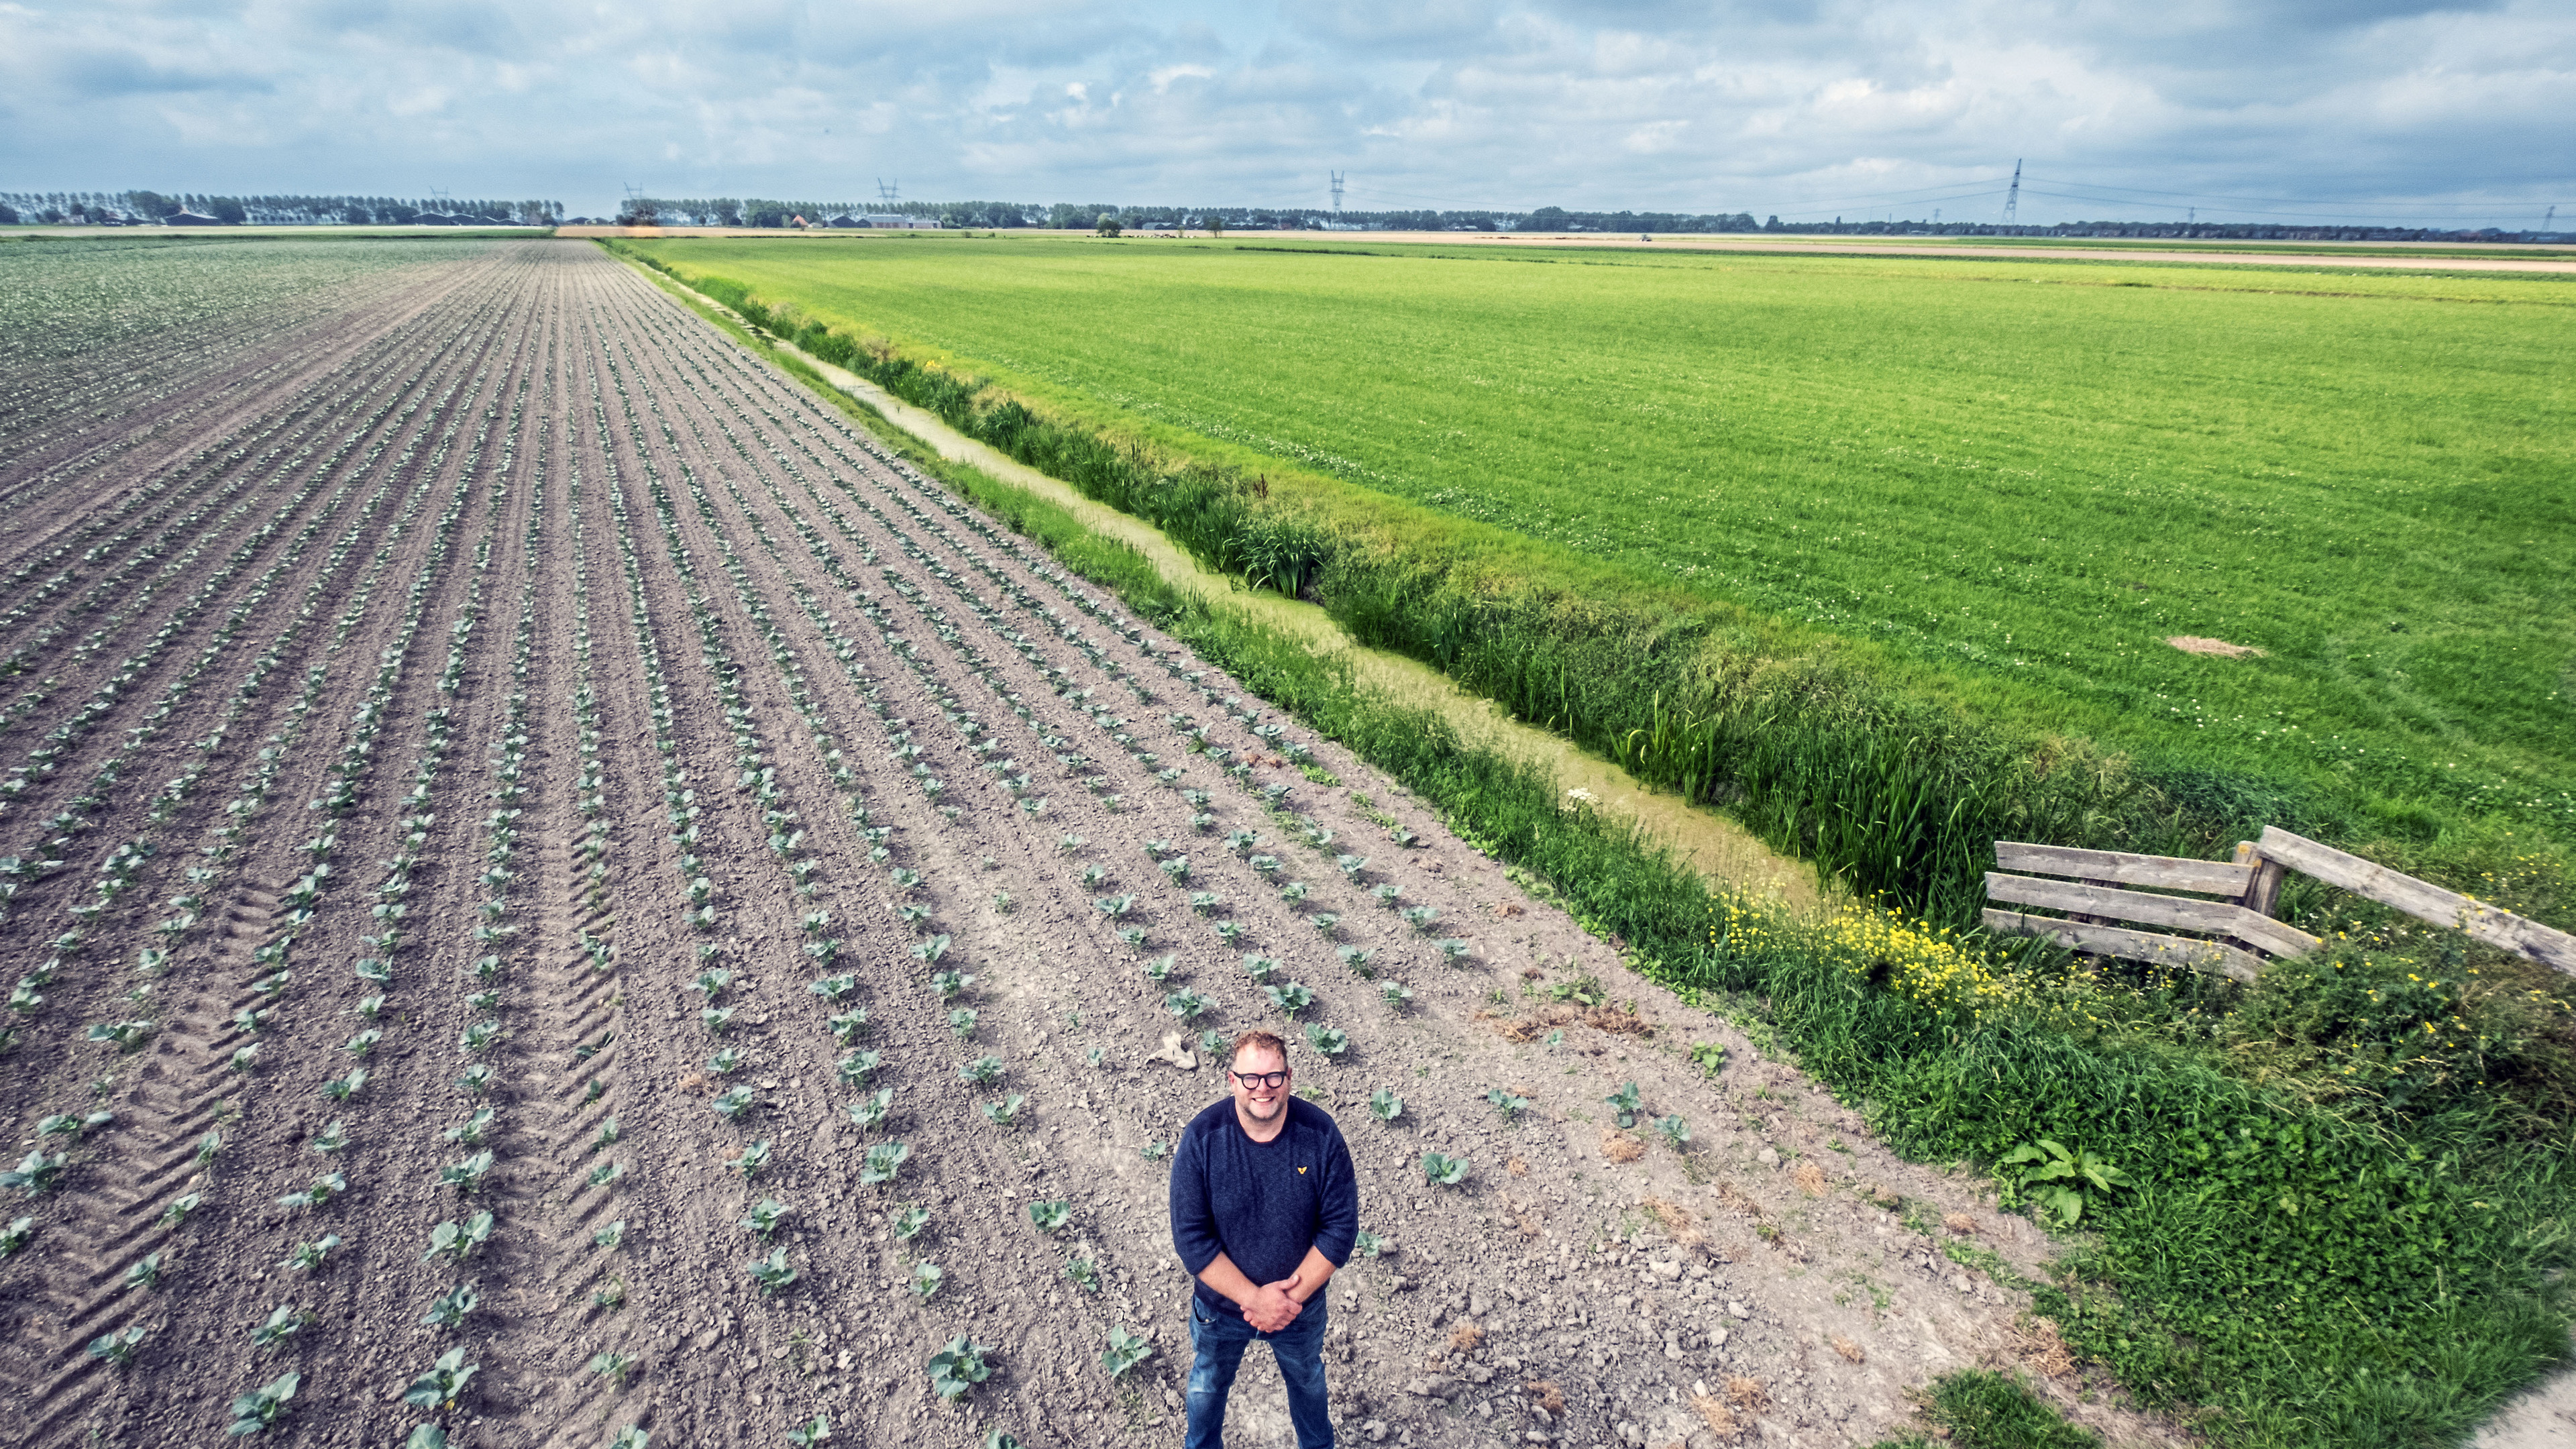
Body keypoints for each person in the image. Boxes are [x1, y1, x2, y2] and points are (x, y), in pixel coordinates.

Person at [1169, 1028, 1359, 1449]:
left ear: (1289, 1077)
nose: (1263, 1089)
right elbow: (1192, 1238)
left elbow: (1340, 1227)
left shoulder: (1320, 1134)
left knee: (1307, 1381)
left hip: (1299, 1308)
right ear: (1232, 1080)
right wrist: (1254, 1299)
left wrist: (1287, 1302)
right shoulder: (1202, 1139)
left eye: (1274, 1077)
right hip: (1221, 1309)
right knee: (1207, 1385)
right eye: (1251, 1078)